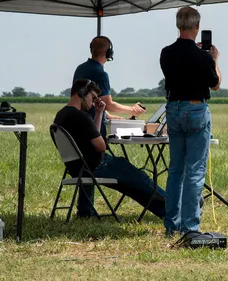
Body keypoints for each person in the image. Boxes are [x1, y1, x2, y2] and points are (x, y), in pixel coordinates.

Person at [53, 78, 166, 218]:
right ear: (82, 93)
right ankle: (172, 204)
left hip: (77, 167)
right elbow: (101, 146)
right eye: (92, 98)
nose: (93, 103)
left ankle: (166, 209)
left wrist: (99, 113)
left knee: (133, 185)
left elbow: (90, 134)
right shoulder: (81, 117)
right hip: (97, 166)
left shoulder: (61, 115)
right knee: (139, 179)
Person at [160, 6, 221, 236]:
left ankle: (171, 225)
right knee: (195, 171)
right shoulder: (202, 57)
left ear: (178, 26)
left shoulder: (166, 53)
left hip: (173, 109)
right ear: (197, 27)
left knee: (175, 170)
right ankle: (190, 227)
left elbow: (175, 74)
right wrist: (213, 59)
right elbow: (215, 83)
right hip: (196, 109)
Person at [73, 35, 146, 138]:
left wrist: (108, 116)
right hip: (94, 127)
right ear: (109, 53)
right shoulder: (101, 74)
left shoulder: (80, 68)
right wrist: (133, 110)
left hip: (78, 124)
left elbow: (88, 101)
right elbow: (107, 104)